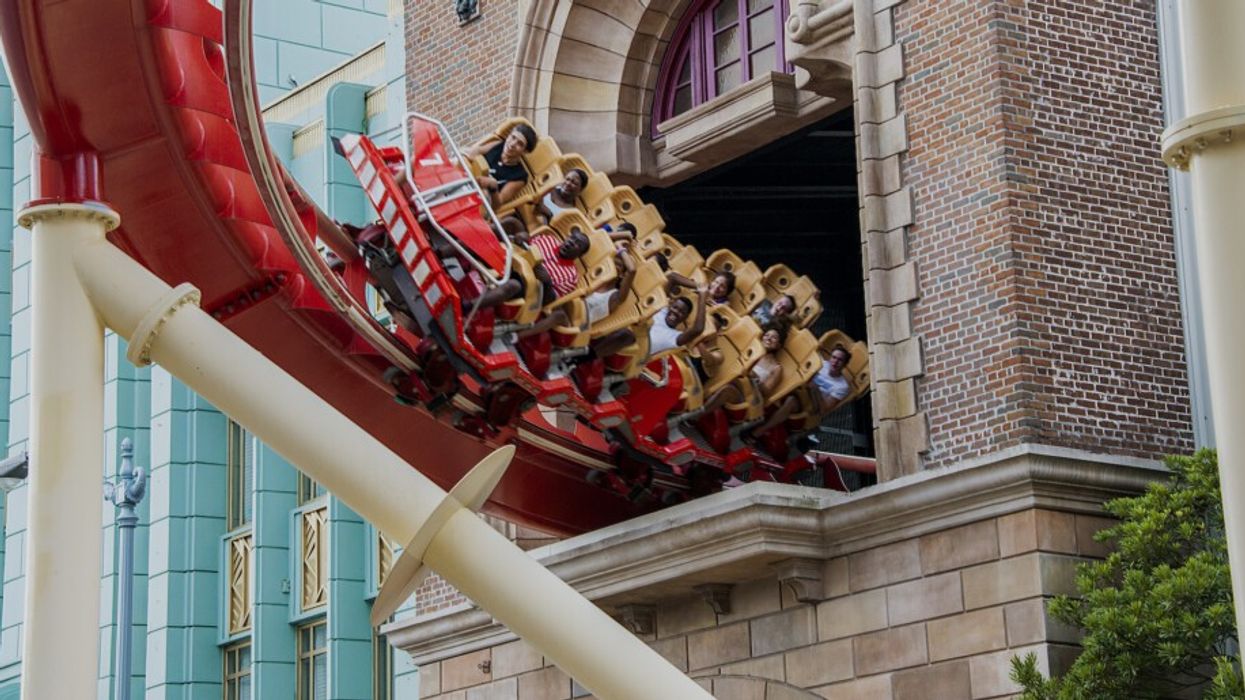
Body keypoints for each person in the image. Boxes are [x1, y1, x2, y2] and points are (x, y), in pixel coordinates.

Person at [467, 123, 538, 208]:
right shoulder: (499, 145)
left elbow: (498, 203)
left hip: (481, 199)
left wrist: (493, 187)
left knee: (485, 193)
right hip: (469, 179)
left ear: (525, 151)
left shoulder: (519, 177)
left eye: (520, 144)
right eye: (513, 137)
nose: (512, 144)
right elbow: (477, 151)